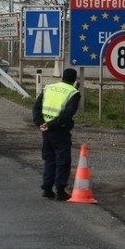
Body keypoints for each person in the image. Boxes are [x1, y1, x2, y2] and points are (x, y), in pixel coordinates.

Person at [32, 68, 81, 201]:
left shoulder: (49, 87)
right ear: (74, 80)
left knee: (49, 159)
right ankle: (60, 190)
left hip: (45, 130)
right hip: (59, 130)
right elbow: (67, 114)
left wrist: (40, 123)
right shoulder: (73, 92)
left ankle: (47, 188)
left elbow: (37, 107)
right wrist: (52, 124)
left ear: (62, 77)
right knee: (62, 160)